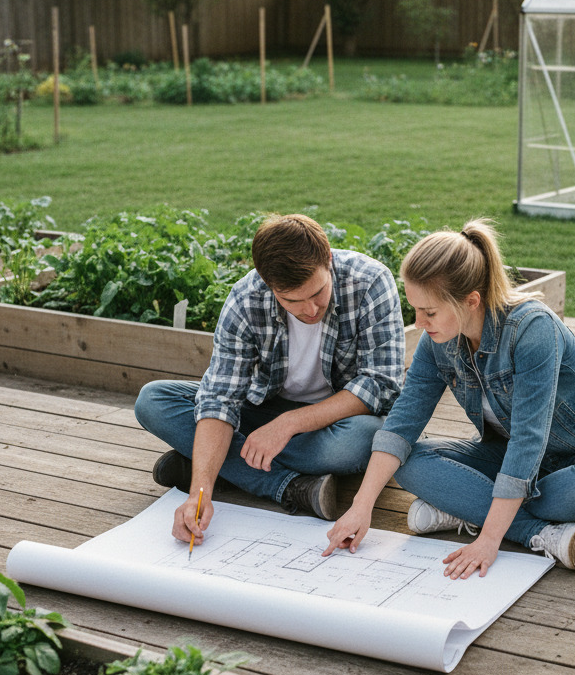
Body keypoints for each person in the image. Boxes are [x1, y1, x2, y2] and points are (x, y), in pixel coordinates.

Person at [323, 218, 575, 578]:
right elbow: (402, 422)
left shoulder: (533, 330)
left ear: (471, 300)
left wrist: (489, 539)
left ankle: (467, 507)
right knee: (407, 460)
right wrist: (362, 506)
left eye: (429, 311)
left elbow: (528, 440)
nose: (419, 322)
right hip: (505, 459)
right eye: (415, 309)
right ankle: (536, 532)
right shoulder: (436, 341)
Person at [135, 213, 405, 548]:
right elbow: (220, 398)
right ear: (268, 283)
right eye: (293, 300)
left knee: (363, 440)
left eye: (318, 292)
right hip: (262, 410)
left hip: (340, 419)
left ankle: (212, 462)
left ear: (329, 260)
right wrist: (199, 493)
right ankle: (290, 487)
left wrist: (289, 424)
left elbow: (382, 384)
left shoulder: (370, 281)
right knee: (154, 400)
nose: (310, 309)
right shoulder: (245, 299)